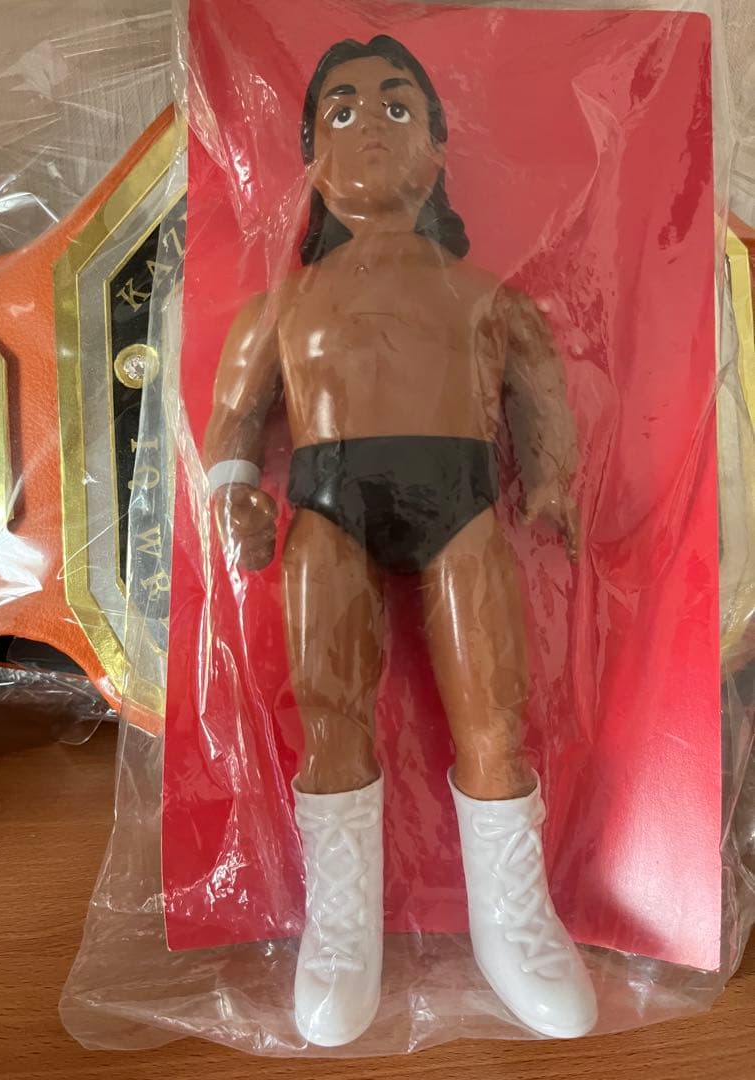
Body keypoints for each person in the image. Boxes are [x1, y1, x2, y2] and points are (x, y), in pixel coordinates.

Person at [204, 34, 596, 1046]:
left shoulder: (487, 297)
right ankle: (340, 925)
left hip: (460, 503)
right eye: (340, 110)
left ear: (436, 147)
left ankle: (515, 917)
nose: (369, 126)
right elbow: (234, 419)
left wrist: (553, 482)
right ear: (311, 156)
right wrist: (235, 496)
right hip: (327, 507)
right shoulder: (284, 305)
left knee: (493, 712)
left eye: (395, 107)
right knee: (330, 713)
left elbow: (541, 389)